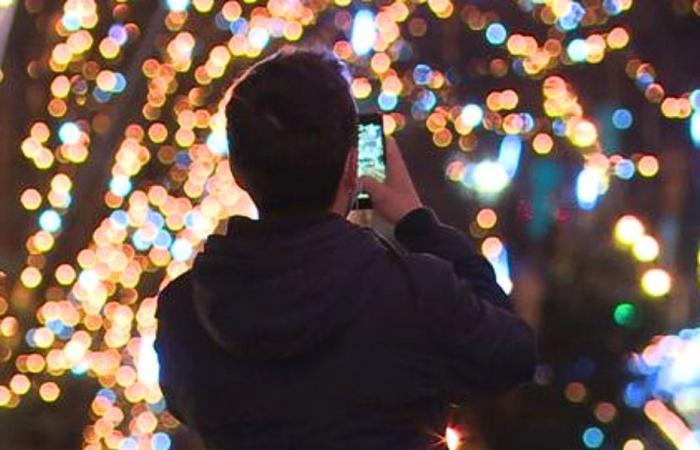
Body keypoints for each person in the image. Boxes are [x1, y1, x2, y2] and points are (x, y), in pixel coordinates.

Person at [154, 47, 536, 450]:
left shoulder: (185, 311)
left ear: (237, 170)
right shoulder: (414, 294)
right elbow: (512, 355)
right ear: (352, 166)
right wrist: (416, 221)